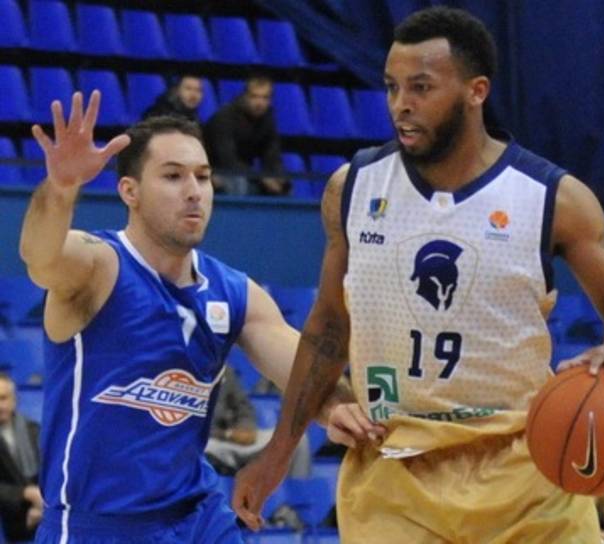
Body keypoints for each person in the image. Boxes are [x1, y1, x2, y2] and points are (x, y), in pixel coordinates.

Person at [233, 6, 604, 543]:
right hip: (394, 469)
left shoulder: (553, 197)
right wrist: (278, 451)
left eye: (421, 87)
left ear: (476, 91)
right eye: (391, 87)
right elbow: (329, 327)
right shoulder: (352, 188)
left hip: (525, 469)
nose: (401, 104)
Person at [18, 91, 377, 543]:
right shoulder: (98, 266)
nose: (194, 191)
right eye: (173, 176)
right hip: (97, 525)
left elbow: (308, 374)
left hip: (198, 519)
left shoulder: (234, 292)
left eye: (203, 177)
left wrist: (338, 409)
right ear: (129, 191)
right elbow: (40, 256)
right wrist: (60, 188)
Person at [205, 369, 311, 481]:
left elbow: (243, 407)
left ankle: (298, 488)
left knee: (299, 439)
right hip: (213, 441)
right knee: (207, 447)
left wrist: (246, 427)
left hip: (236, 439)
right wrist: (227, 434)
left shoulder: (223, 370)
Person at [203, 75, 289, 196]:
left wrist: (278, 178)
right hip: (213, 170)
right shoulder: (225, 118)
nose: (259, 103)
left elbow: (272, 155)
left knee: (282, 186)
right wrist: (262, 178)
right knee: (238, 183)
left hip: (245, 173)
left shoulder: (267, 120)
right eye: (254, 96)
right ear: (245, 96)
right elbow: (228, 161)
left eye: (265, 98)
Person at [0, 373, 42, 542]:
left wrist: (40, 506)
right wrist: (25, 493)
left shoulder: (33, 430)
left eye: (3, 398)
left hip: (42, 513)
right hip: (10, 520)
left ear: (14, 400)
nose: (0, 405)